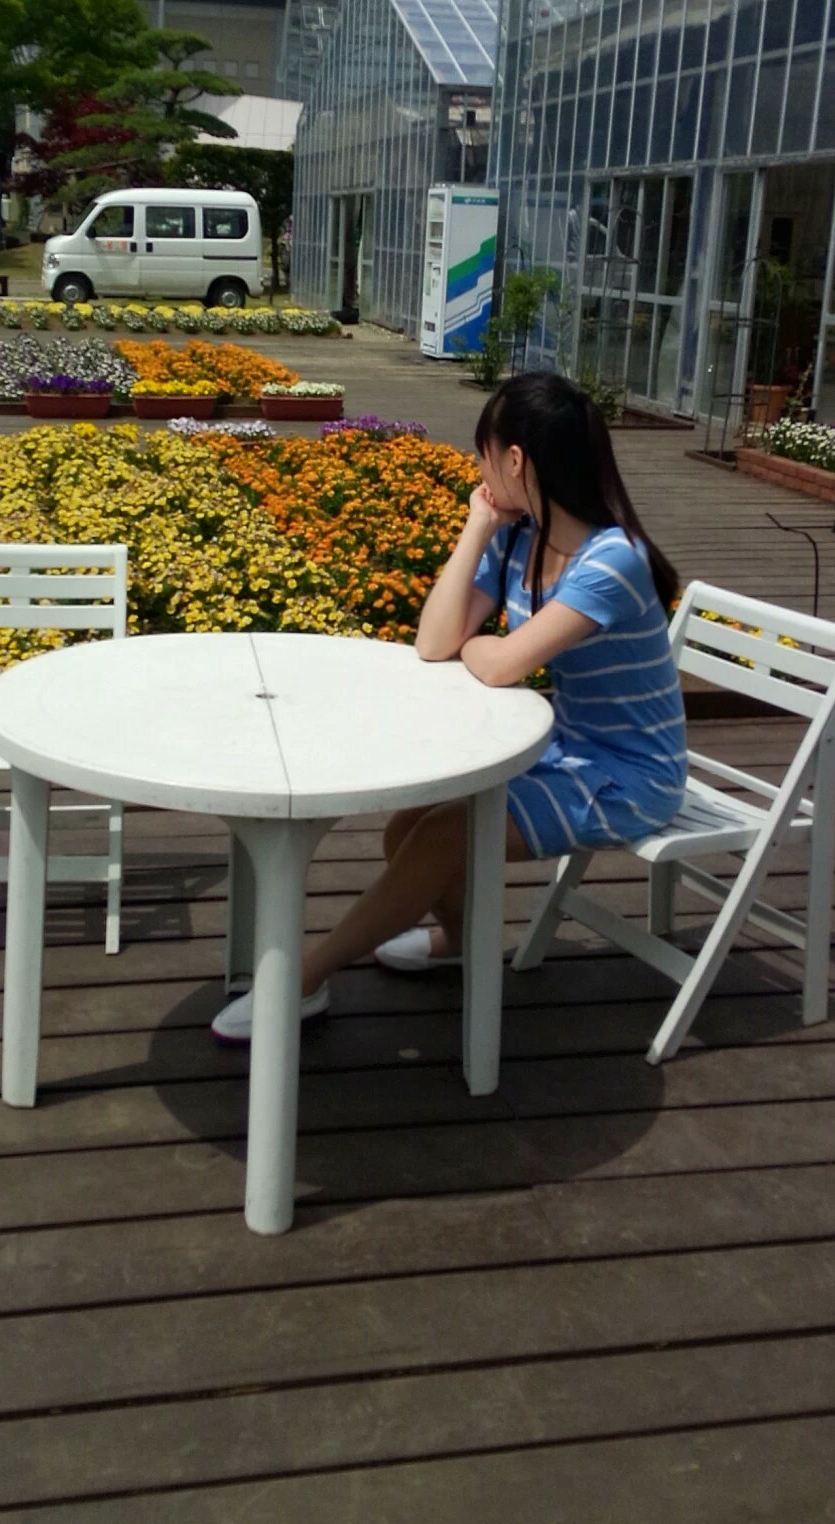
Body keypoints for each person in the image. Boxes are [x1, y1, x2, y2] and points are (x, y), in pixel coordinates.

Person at [211, 371, 688, 1041]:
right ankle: (463, 943)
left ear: (515, 460)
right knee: (406, 827)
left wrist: (483, 646)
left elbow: (501, 664)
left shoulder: (612, 561)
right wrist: (478, 526)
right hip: (566, 746)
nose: (478, 467)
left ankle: (303, 979)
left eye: (483, 453)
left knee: (441, 836)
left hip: (629, 777)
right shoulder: (521, 538)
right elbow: (436, 642)